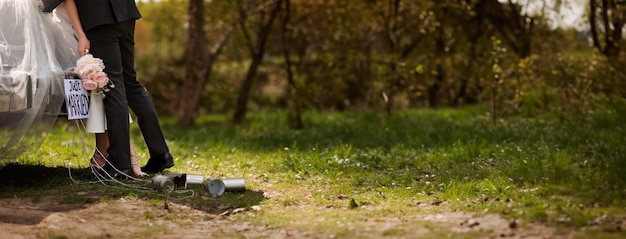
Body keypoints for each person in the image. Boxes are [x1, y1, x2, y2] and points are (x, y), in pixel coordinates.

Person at [65, 0, 174, 177]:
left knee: (112, 86)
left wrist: (81, 35)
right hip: (125, 13)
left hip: (98, 18)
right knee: (131, 83)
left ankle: (119, 163)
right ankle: (161, 153)